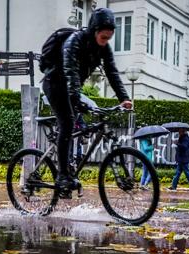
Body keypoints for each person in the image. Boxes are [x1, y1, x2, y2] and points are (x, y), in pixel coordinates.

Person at [41, 8, 132, 198]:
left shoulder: (104, 49)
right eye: (103, 37)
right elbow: (70, 72)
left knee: (79, 124)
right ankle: (63, 176)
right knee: (67, 122)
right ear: (94, 30)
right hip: (56, 84)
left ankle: (68, 175)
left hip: (72, 88)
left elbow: (112, 73)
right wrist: (77, 100)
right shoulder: (74, 42)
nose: (106, 41)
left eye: (109, 38)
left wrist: (124, 98)